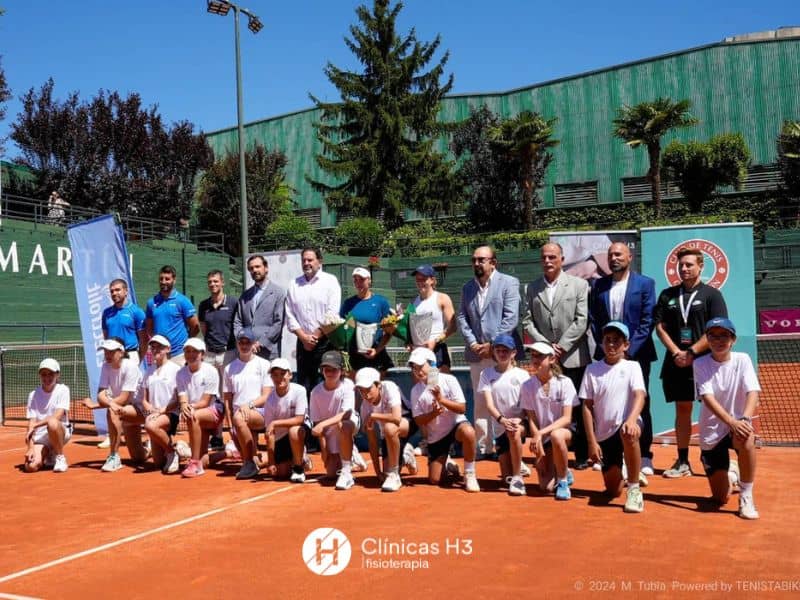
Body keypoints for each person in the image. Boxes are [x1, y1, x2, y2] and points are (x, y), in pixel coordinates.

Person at [654, 246, 728, 478]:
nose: (684, 269)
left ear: (701, 266)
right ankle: (683, 461)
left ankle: (716, 458)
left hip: (706, 362)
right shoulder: (667, 295)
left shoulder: (712, 295)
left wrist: (692, 352)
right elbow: (659, 327)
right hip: (676, 361)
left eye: (689, 265)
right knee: (683, 408)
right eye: (681, 265)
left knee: (712, 409)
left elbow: (717, 329)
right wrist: (677, 352)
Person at [589, 242, 657, 475]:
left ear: (630, 257)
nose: (614, 258)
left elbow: (648, 320)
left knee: (640, 403)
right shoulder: (598, 285)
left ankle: (645, 455)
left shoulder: (645, 284)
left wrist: (628, 351)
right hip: (607, 353)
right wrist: (608, 348)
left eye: (618, 254)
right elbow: (595, 320)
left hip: (637, 355)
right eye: (610, 255)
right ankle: (608, 453)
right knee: (604, 403)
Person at [523, 242, 591, 468]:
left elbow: (582, 320)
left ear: (562, 259)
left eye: (552, 257)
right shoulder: (531, 288)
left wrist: (560, 346)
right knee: (546, 407)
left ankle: (581, 455)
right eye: (544, 257)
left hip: (572, 356)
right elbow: (527, 321)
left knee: (577, 408)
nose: (548, 261)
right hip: (545, 359)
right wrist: (544, 347)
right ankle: (549, 452)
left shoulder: (579, 285)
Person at [457, 245, 523, 460]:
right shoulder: (467, 288)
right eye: (474, 260)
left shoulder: (509, 283)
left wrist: (493, 345)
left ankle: (508, 445)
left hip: (503, 354)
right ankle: (484, 447)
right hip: (477, 354)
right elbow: (462, 318)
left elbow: (511, 317)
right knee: (480, 400)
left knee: (507, 399)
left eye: (481, 260)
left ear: (493, 262)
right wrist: (474, 343)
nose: (477, 263)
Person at [694, 317, 761, 520]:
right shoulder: (700, 364)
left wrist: (745, 420)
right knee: (720, 498)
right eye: (713, 336)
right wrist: (731, 421)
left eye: (724, 335)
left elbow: (752, 391)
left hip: (737, 426)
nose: (719, 340)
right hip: (712, 432)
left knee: (746, 436)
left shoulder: (743, 359)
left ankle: (746, 495)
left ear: (733, 339)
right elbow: (708, 398)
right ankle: (731, 474)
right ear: (707, 340)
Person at [580, 322, 646, 513]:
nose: (611, 345)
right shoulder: (592, 370)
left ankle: (634, 489)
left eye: (616, 341)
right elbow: (586, 407)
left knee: (629, 433)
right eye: (607, 340)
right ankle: (628, 470)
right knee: (613, 491)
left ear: (626, 345)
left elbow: (640, 395)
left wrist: (632, 419)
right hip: (604, 434)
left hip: (627, 424)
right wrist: (592, 442)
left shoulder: (633, 366)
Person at [409, 347, 480, 493]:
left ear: (432, 364)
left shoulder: (449, 379)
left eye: (421, 366)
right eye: (415, 368)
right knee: (434, 480)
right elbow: (418, 421)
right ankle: (447, 464)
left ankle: (469, 473)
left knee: (468, 432)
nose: (418, 371)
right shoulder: (415, 391)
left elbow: (462, 408)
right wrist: (433, 414)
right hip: (437, 436)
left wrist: (442, 400)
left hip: (456, 426)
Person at [520, 342, 577, 500]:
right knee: (545, 487)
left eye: (540, 356)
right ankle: (564, 469)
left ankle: (563, 481)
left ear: (551, 359)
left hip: (565, 434)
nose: (535, 359)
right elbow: (531, 418)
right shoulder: (527, 386)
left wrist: (541, 433)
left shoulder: (565, 382)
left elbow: (567, 418)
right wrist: (537, 442)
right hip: (543, 437)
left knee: (557, 435)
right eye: (533, 355)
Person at [285, 247, 342, 397]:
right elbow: (289, 313)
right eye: (303, 260)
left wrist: (315, 336)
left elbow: (332, 313)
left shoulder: (330, 281)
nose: (306, 263)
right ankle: (307, 417)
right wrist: (304, 338)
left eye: (310, 260)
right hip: (303, 342)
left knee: (325, 382)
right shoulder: (294, 284)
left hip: (325, 341)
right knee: (304, 383)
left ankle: (325, 419)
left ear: (319, 261)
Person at [479, 335, 531, 496]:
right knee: (503, 480)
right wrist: (502, 420)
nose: (501, 353)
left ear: (514, 353)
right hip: (500, 426)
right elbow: (489, 405)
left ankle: (517, 478)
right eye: (498, 350)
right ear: (493, 352)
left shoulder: (523, 375)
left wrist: (519, 419)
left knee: (514, 432)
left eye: (505, 351)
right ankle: (517, 464)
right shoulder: (486, 374)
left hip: (520, 423)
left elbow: (527, 405)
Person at [84, 338, 145, 472]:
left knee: (112, 411)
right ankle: (150, 448)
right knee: (138, 458)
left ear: (121, 352)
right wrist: (107, 402)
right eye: (106, 351)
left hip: (142, 411)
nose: (107, 355)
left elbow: (124, 398)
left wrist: (96, 406)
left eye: (111, 351)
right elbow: (101, 394)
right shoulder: (106, 366)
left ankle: (114, 456)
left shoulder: (130, 367)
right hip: (125, 410)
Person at [355, 367, 418, 492]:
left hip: (406, 423)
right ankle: (406, 456)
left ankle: (395, 475)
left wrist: (374, 415)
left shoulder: (390, 387)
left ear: (378, 385)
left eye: (368, 389)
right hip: (388, 436)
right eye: (361, 391)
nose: (366, 395)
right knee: (385, 473)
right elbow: (372, 442)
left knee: (390, 427)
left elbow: (396, 417)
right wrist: (378, 472)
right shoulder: (364, 407)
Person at [223, 328, 272, 480]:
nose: (244, 345)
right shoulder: (228, 368)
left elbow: (266, 396)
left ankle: (249, 463)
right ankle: (263, 459)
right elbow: (227, 399)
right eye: (241, 342)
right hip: (239, 419)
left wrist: (248, 405)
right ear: (237, 344)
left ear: (254, 344)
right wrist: (230, 424)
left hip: (261, 413)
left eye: (247, 342)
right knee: (238, 420)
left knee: (239, 418)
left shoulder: (264, 364)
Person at [309, 351, 362, 490]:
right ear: (322, 370)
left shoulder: (348, 384)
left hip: (348, 423)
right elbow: (317, 425)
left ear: (341, 370)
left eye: (334, 369)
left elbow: (346, 413)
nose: (330, 373)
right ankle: (351, 452)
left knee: (343, 425)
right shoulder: (315, 392)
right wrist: (324, 451)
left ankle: (346, 472)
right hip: (329, 431)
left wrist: (322, 424)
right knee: (331, 473)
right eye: (327, 369)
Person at [199, 269, 238, 451]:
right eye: (210, 282)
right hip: (209, 355)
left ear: (222, 283)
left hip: (228, 354)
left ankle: (233, 435)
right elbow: (204, 329)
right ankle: (217, 436)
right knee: (210, 396)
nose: (213, 285)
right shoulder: (203, 305)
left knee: (226, 395)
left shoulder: (233, 303)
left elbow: (237, 327)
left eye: (216, 281)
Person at [176, 338, 225, 478]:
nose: (191, 354)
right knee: (205, 460)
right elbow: (183, 397)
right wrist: (184, 406)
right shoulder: (180, 373)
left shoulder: (211, 371)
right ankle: (227, 453)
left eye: (195, 352)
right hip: (195, 413)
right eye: (188, 351)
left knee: (193, 415)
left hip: (213, 411)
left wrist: (189, 408)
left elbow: (205, 401)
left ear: (202, 354)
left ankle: (194, 463)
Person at [262, 358, 310, 483]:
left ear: (290, 375)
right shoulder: (270, 400)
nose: (279, 378)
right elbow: (270, 434)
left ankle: (299, 469)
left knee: (294, 430)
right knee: (281, 473)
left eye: (282, 374)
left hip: (301, 432)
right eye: (275, 375)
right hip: (281, 437)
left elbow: (299, 419)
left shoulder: (300, 390)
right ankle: (298, 458)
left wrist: (275, 423)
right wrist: (271, 462)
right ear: (271, 377)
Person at [140, 335, 182, 474]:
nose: (156, 349)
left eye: (160, 347)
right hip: (154, 414)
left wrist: (162, 411)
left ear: (168, 349)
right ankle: (182, 449)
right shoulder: (148, 371)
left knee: (150, 425)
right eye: (153, 347)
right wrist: (150, 410)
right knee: (158, 463)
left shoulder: (176, 370)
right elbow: (144, 400)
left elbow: (177, 399)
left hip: (171, 413)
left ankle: (172, 452)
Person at [340, 267, 393, 374]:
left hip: (376, 355)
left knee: (378, 388)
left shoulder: (381, 302)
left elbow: (389, 331)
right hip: (354, 357)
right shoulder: (348, 303)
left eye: (362, 279)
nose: (358, 283)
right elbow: (342, 329)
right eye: (355, 280)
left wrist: (377, 350)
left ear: (369, 280)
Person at [145, 265, 200, 366]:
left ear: (174, 280)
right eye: (161, 279)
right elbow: (149, 328)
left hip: (178, 355)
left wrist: (185, 344)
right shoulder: (151, 302)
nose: (164, 281)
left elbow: (195, 326)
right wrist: (158, 345)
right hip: (159, 354)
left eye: (167, 279)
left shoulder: (182, 301)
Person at [23, 358, 72, 473]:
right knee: (30, 467)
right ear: (40, 376)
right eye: (44, 374)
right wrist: (30, 448)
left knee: (52, 423)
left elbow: (57, 416)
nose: (47, 378)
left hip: (60, 431)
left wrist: (35, 425)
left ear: (57, 375)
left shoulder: (63, 390)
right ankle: (48, 453)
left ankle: (59, 457)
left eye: (51, 374)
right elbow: (31, 425)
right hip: (41, 437)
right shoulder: (33, 395)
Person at [233, 255, 286, 360]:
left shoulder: (278, 293)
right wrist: (243, 341)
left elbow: (278, 324)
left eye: (257, 266)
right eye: (251, 268)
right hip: (247, 352)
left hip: (268, 352)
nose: (254, 270)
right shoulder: (245, 295)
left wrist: (260, 343)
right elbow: (237, 322)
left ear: (266, 268)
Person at [410, 264, 457, 373]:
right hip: (418, 353)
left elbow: (453, 326)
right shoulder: (413, 302)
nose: (420, 282)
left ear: (432, 280)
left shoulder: (442, 298)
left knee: (437, 387)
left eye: (423, 279)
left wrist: (435, 341)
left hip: (437, 350)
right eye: (417, 279)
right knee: (421, 389)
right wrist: (408, 342)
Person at [102, 279, 147, 366]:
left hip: (130, 356)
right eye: (112, 291)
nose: (114, 293)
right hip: (112, 356)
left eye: (117, 290)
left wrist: (138, 358)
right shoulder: (106, 313)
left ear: (126, 291)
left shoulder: (137, 312)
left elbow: (144, 340)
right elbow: (106, 336)